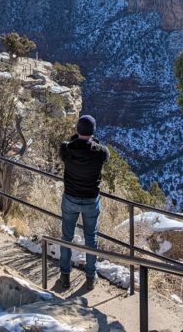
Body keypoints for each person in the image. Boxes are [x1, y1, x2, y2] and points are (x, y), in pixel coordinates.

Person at [58, 114, 109, 290]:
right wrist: (92, 140)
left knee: (67, 237)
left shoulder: (66, 149)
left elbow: (69, 143)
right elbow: (102, 149)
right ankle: (90, 277)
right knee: (91, 239)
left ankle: (65, 276)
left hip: (70, 198)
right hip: (90, 201)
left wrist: (77, 138)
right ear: (93, 132)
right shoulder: (100, 152)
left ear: (77, 130)